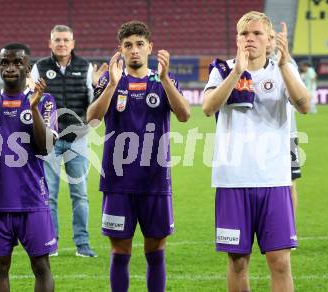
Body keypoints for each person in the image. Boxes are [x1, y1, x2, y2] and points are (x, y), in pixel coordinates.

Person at [202, 11, 310, 292]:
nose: (250, 38)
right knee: (238, 261)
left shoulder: (282, 69)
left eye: (257, 33)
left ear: (269, 39)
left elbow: (304, 105)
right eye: (244, 34)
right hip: (232, 181)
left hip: (273, 180)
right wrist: (238, 71)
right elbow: (208, 107)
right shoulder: (223, 69)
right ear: (237, 39)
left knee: (280, 261)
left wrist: (285, 65)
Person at [87, 21, 190, 292]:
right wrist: (110, 85)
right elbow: (92, 119)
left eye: (140, 45)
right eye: (128, 45)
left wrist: (166, 79)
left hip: (155, 180)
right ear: (120, 49)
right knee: (120, 248)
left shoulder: (163, 81)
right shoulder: (110, 81)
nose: (134, 50)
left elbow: (184, 115)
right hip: (117, 182)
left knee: (156, 248)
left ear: (150, 48)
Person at [0, 43, 58, 292]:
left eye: (17, 62)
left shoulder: (45, 101)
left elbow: (46, 146)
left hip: (33, 202)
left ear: (28, 67)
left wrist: (34, 109)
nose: (10, 67)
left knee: (41, 266)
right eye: (5, 62)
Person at [31, 25, 107, 257]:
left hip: (77, 141)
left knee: (80, 195)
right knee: (49, 196)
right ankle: (50, 242)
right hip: (49, 141)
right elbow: (32, 99)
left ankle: (82, 245)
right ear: (50, 43)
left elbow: (94, 103)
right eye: (57, 40)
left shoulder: (85, 67)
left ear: (72, 43)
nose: (62, 43)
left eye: (65, 40)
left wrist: (97, 85)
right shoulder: (39, 67)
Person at [267, 28, 302, 212]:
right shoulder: (245, 65)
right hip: (260, 138)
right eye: (268, 37)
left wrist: (285, 60)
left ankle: (290, 229)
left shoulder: (287, 63)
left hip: (288, 136)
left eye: (273, 38)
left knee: (289, 184)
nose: (270, 41)